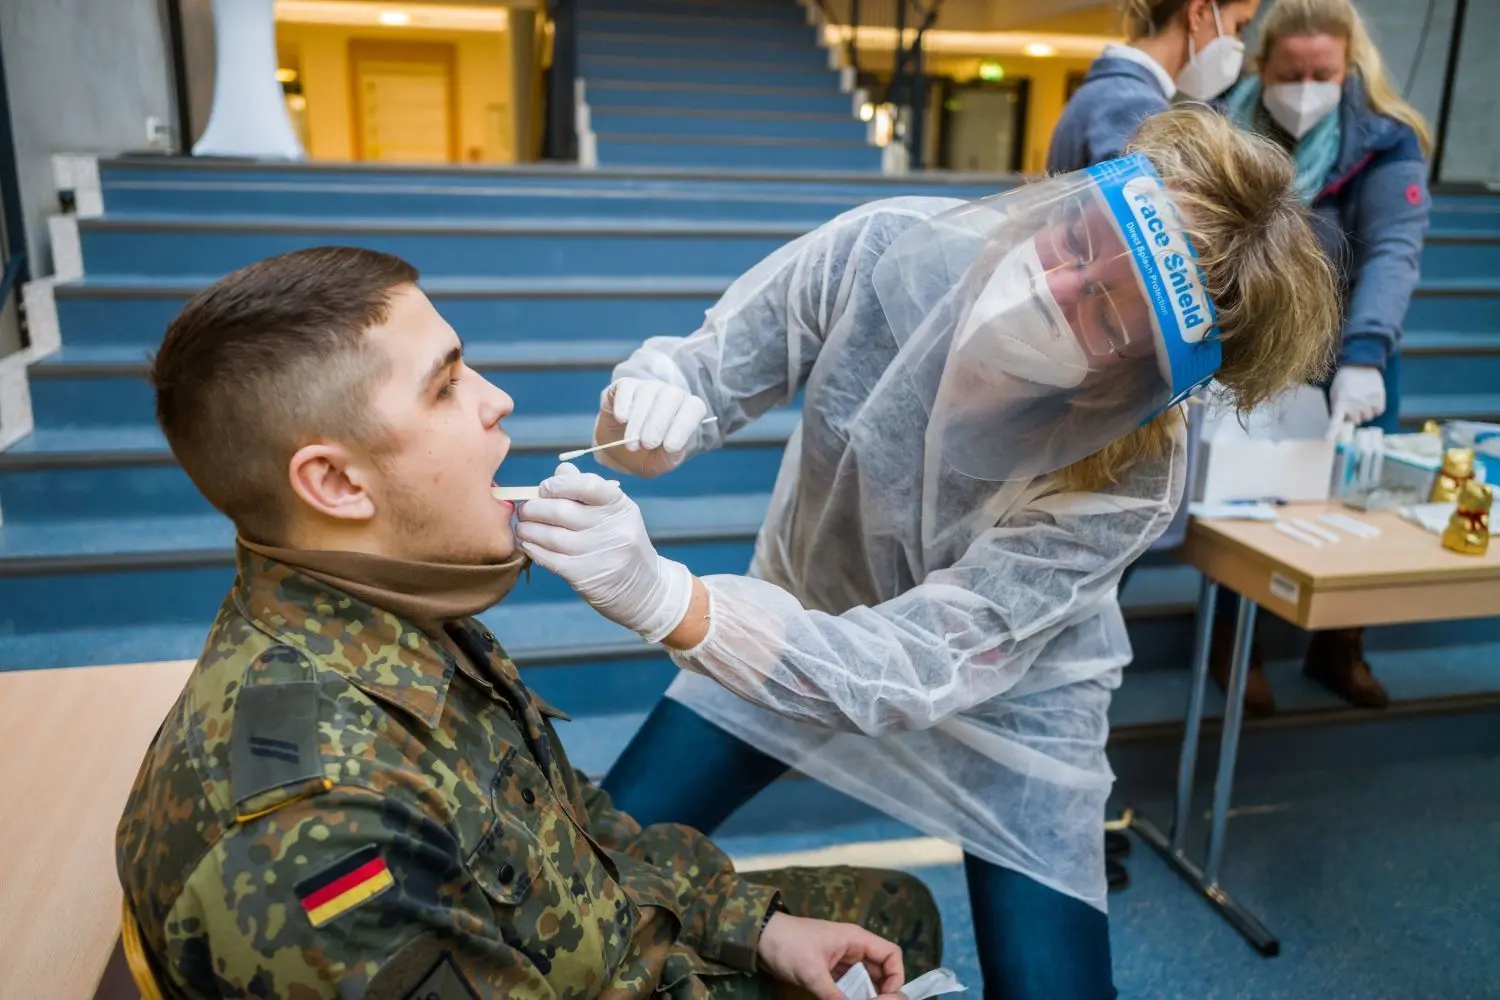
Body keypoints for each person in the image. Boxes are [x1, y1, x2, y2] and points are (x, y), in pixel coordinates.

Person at [514, 106, 1341, 1000]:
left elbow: (918, 663)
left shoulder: (1134, 469)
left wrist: (670, 602)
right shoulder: (885, 253)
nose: (1059, 285)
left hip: (1013, 705)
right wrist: (646, 410)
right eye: (1077, 236)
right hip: (797, 615)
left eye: (1108, 311)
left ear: (1144, 380)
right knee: (595, 859)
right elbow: (707, 374)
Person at [115, 247, 943, 1000]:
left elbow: (571, 822)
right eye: (445, 385)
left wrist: (749, 923)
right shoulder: (319, 838)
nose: (497, 399)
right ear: (335, 483)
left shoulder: (391, 615)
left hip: (612, 944)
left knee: (899, 910)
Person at [1215, 0, 1432, 712]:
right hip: (1254, 348)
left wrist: (1366, 355)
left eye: (1322, 72)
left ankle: (1339, 648)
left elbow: (1392, 251)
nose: (1306, 86)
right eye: (1291, 71)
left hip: (1350, 350)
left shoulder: (1384, 139)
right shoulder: (1226, 124)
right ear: (1262, 66)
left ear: (1349, 68)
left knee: (1358, 503)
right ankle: (1232, 650)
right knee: (1241, 506)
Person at [1048, 0, 1261, 173]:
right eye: (1239, 26)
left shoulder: (1110, 91)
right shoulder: (1134, 105)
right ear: (1198, 13)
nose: (1238, 41)